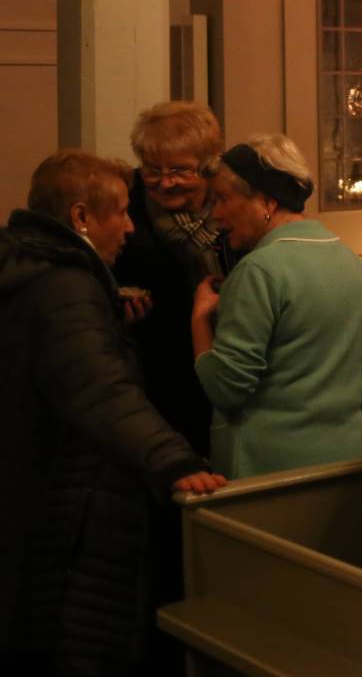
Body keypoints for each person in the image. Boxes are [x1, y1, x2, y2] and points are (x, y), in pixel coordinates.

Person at [0, 151, 225, 676]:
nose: (130, 226)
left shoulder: (32, 268)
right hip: (72, 501)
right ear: (80, 216)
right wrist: (175, 459)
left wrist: (111, 327)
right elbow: (99, 390)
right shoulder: (66, 286)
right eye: (121, 211)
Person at [190, 135, 362, 478]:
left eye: (223, 199)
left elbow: (226, 388)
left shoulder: (258, 272)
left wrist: (200, 320)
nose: (216, 214)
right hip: (344, 466)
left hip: (264, 471)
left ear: (266, 201)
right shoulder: (354, 266)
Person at [113, 101, 230, 457]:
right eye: (152, 170)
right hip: (160, 372)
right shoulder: (125, 207)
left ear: (209, 165)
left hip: (232, 362)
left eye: (180, 170)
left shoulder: (234, 204)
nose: (165, 183)